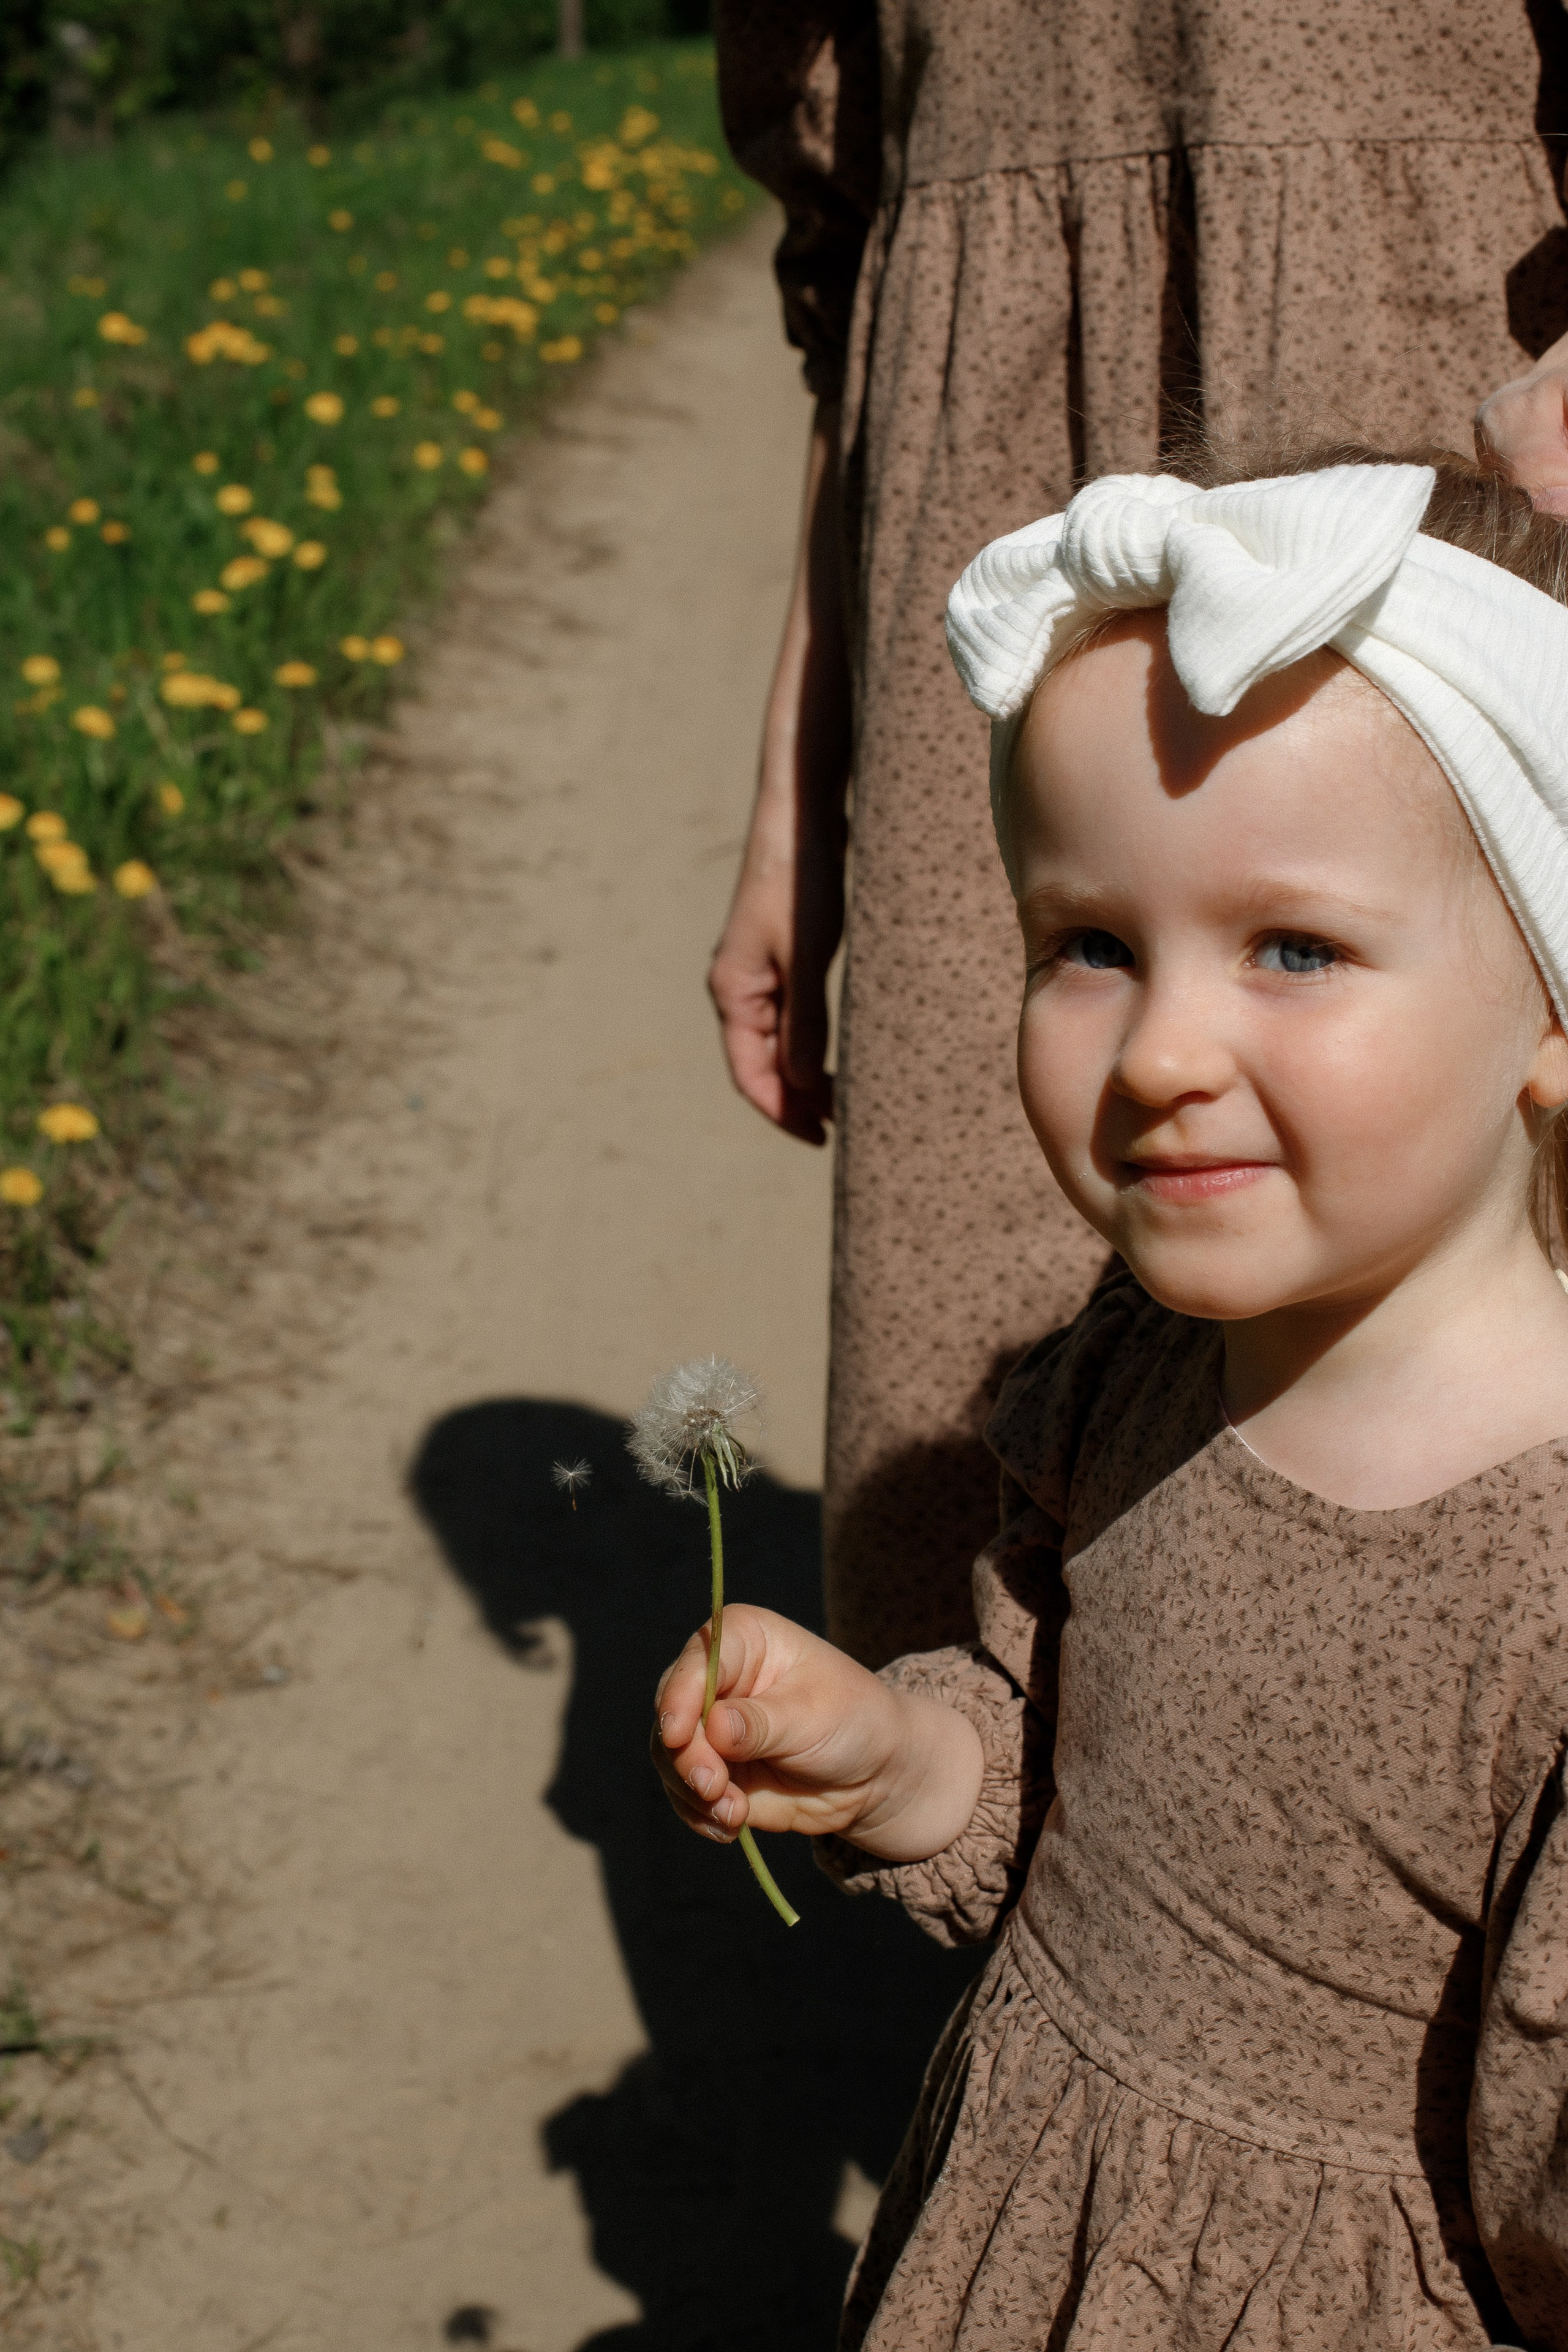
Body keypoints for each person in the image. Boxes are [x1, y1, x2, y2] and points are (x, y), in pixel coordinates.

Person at [656, 450, 1568, 2345]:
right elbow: (1066, 1755)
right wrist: (903, 1765)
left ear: (1550, 1007)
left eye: (1295, 949)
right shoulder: (1136, 1368)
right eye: (1088, 945)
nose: (1161, 1051)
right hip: (1024, 2243)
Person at [709, 1, 1568, 1672]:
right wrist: (793, 798)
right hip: (987, 497)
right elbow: (849, 247)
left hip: (1434, 451)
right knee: (978, 1413)